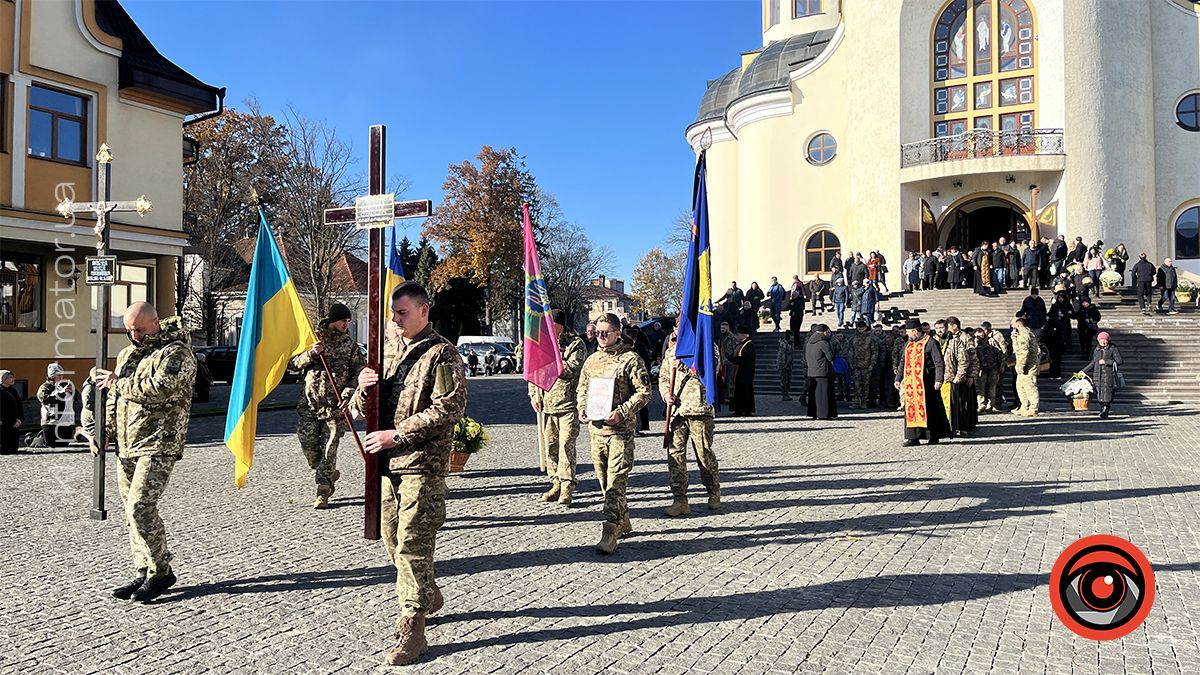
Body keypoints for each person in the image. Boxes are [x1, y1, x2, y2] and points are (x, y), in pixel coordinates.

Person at [352, 282, 467, 666]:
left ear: (424, 311)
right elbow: (357, 409)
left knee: (413, 544)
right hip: (385, 466)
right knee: (391, 541)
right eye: (392, 314)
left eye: (402, 313)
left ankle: (412, 628)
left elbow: (448, 409)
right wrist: (362, 387)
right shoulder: (385, 355)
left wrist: (397, 434)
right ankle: (428, 592)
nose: (395, 320)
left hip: (422, 464)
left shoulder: (442, 354)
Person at [91, 303, 196, 604]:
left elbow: (160, 387)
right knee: (130, 512)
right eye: (129, 329)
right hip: (127, 443)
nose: (134, 335)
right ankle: (144, 569)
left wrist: (118, 382)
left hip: (160, 441)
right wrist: (105, 432)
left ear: (156, 322)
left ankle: (162, 572)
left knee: (140, 506)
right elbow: (113, 397)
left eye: (139, 328)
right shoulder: (126, 355)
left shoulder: (177, 352)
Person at [577, 312, 650, 555]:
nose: (600, 336)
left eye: (605, 332)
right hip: (596, 431)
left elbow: (644, 392)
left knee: (616, 483)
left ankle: (609, 531)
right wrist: (582, 409)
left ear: (618, 333)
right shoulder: (592, 360)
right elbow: (582, 388)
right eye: (597, 332)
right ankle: (623, 517)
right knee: (604, 482)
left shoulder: (630, 359)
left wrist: (622, 411)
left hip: (620, 432)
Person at [290, 303, 366, 509]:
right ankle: (327, 472)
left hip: (335, 407)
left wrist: (348, 393)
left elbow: (359, 372)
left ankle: (322, 491)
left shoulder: (350, 345)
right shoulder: (313, 339)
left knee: (329, 449)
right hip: (310, 405)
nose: (346, 324)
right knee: (310, 450)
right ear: (333, 320)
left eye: (348, 321)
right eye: (343, 320)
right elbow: (293, 363)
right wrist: (311, 354)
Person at [660, 330, 721, 516]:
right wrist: (665, 395)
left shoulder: (707, 348)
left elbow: (711, 372)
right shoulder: (671, 351)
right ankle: (680, 499)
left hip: (698, 409)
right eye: (677, 328)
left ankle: (713, 490)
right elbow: (663, 377)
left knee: (703, 453)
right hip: (677, 412)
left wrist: (685, 365)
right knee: (675, 455)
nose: (679, 332)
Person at [529, 309, 586, 505]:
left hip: (569, 405)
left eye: (551, 325)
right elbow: (533, 370)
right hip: (547, 405)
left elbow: (571, 369)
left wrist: (552, 358)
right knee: (550, 447)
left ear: (559, 325)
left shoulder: (575, 343)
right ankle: (555, 482)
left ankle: (567, 485)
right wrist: (533, 395)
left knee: (566, 446)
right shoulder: (542, 344)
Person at [896, 318, 950, 446]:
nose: (907, 334)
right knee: (911, 410)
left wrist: (938, 379)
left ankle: (933, 436)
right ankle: (913, 437)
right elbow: (903, 362)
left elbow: (939, 363)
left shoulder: (931, 342)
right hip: (911, 384)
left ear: (915, 331)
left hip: (927, 382)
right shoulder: (908, 344)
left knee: (930, 409)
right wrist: (898, 379)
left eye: (909, 332)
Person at [943, 318, 979, 435]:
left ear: (954, 326)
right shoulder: (949, 337)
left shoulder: (965, 337)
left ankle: (965, 426)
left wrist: (971, 375)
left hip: (965, 374)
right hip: (954, 373)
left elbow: (973, 358)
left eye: (948, 326)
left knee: (965, 403)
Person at [1082, 332, 1123, 419]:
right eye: (1101, 340)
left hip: (1108, 376)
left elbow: (1119, 361)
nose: (1103, 342)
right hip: (1097, 377)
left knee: (1107, 395)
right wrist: (1083, 371)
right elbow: (1093, 363)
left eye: (1105, 340)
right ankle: (1102, 410)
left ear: (1108, 340)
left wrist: (1106, 362)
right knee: (1099, 395)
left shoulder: (1113, 348)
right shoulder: (1096, 350)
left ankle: (1105, 410)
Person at [34, 363, 74, 448]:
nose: (61, 377)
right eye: (59, 375)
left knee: (64, 444)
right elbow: (45, 399)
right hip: (51, 421)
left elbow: (75, 398)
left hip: (65, 421)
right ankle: (33, 440)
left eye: (62, 375)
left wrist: (72, 391)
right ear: (52, 376)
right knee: (50, 444)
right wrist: (61, 393)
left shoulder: (63, 385)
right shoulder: (45, 387)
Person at [806, 324, 837, 420]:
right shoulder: (823, 343)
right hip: (823, 371)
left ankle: (814, 413)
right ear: (824, 332)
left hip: (812, 370)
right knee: (824, 394)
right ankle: (824, 414)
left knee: (814, 394)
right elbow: (830, 357)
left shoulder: (809, 342)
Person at [1010, 317, 1039, 417]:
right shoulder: (1018, 334)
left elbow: (1024, 352)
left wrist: (1021, 365)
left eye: (1012, 323)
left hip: (1028, 365)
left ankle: (1033, 408)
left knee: (1030, 387)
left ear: (1018, 324)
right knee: (1020, 386)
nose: (1011, 325)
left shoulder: (1024, 335)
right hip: (1022, 364)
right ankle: (1024, 406)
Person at [849, 321, 878, 409]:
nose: (861, 330)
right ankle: (856, 402)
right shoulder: (853, 338)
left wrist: (872, 363)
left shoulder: (871, 338)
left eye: (862, 328)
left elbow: (874, 352)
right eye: (859, 328)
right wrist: (850, 362)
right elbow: (850, 350)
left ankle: (865, 402)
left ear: (866, 328)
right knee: (856, 385)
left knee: (866, 385)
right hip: (856, 364)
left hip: (867, 364)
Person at [728, 328, 757, 416]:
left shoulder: (749, 345)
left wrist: (733, 359)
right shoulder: (741, 344)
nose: (738, 336)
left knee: (745, 391)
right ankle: (739, 410)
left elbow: (745, 360)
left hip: (745, 373)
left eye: (739, 334)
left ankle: (746, 410)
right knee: (739, 392)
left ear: (745, 335)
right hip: (739, 372)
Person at [1, 370, 22, 454]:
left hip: (13, 421)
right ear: (3, 379)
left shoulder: (13, 390)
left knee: (13, 448)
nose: (13, 379)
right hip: (3, 422)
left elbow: (19, 405)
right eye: (10, 377)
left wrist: (19, 419)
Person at [776, 329, 795, 401]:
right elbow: (782, 355)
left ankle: (786, 394)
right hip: (784, 365)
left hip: (789, 365)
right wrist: (783, 365)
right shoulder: (784, 344)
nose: (793, 337)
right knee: (784, 381)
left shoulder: (790, 343)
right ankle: (785, 394)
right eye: (791, 336)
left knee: (788, 380)